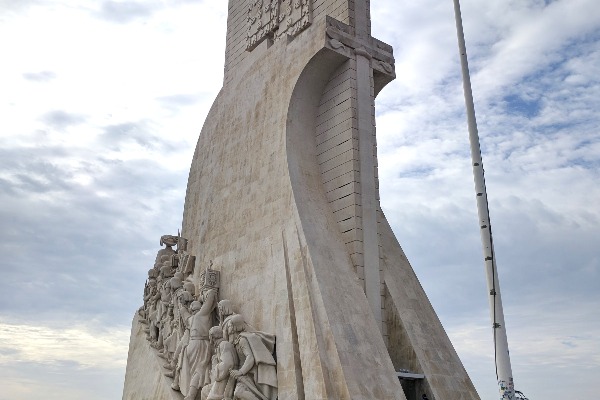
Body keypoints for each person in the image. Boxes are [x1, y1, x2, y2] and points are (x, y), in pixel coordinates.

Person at [179, 289, 218, 398]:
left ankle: (192, 394)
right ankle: (191, 395)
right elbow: (211, 296)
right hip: (201, 344)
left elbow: (184, 313)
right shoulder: (201, 314)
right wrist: (202, 296)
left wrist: (182, 306)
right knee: (200, 369)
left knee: (195, 370)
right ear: (199, 308)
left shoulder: (190, 319)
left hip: (191, 345)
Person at [227, 314, 277, 400]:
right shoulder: (236, 341)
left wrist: (240, 372)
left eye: (230, 326)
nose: (229, 328)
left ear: (235, 327)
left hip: (251, 374)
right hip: (245, 375)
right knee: (237, 394)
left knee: (239, 392)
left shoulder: (242, 339)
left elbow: (250, 357)